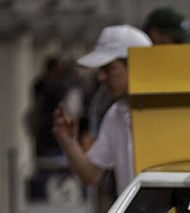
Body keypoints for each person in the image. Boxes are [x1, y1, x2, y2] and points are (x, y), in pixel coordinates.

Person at [53, 25, 152, 198]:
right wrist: (68, 142)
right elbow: (91, 175)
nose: (101, 77)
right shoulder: (116, 114)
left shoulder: (172, 112)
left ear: (136, 65)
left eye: (109, 68)